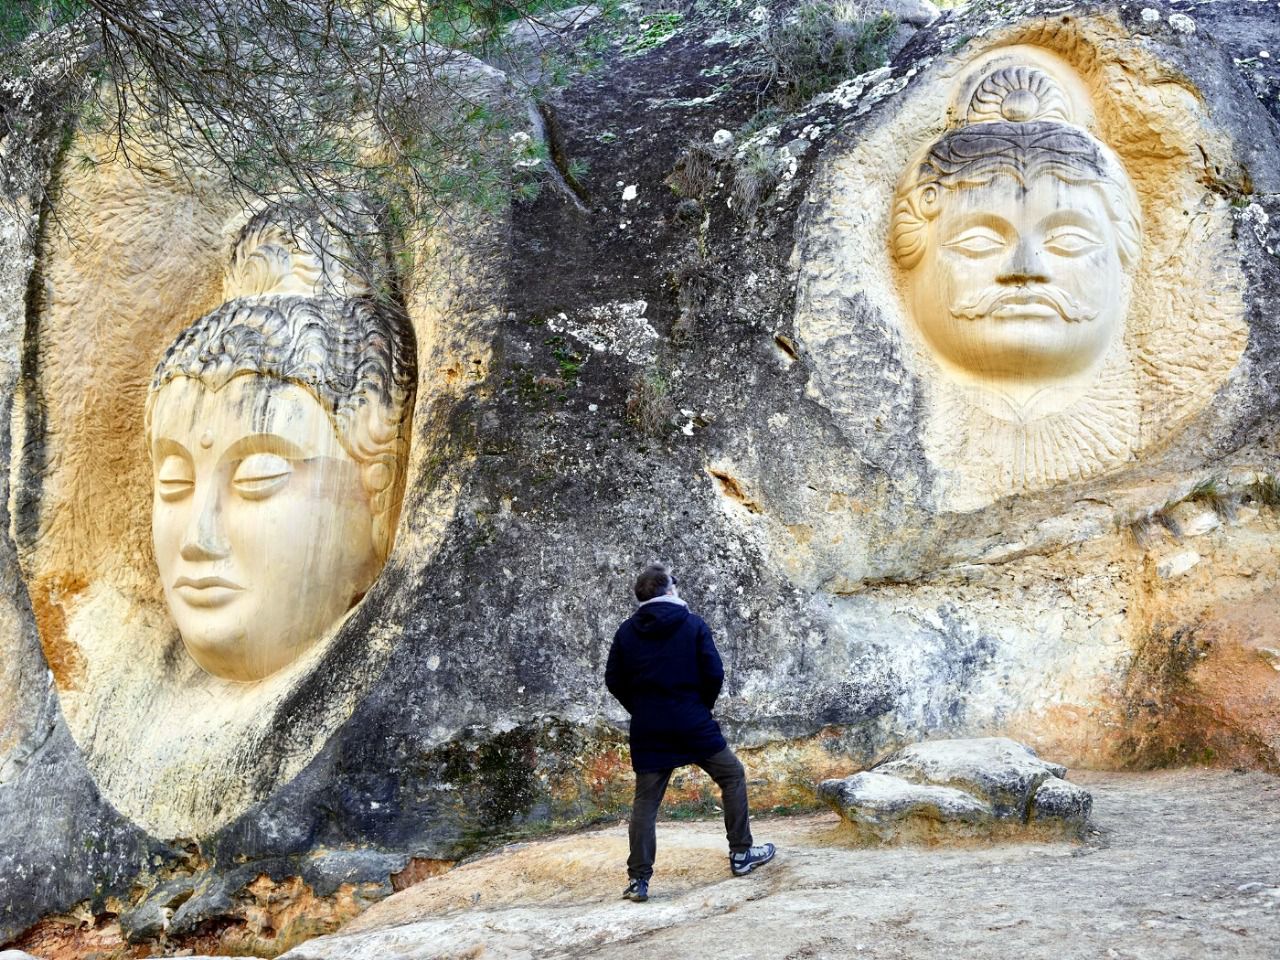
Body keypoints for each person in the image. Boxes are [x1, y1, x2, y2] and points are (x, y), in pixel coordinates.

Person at [605, 563, 775, 903]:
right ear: (669, 590)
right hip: (692, 722)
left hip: (649, 727)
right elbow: (713, 673)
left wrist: (642, 709)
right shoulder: (692, 624)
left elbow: (614, 680)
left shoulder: (626, 632)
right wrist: (699, 708)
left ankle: (639, 880)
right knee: (732, 775)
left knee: (646, 804)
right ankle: (741, 854)